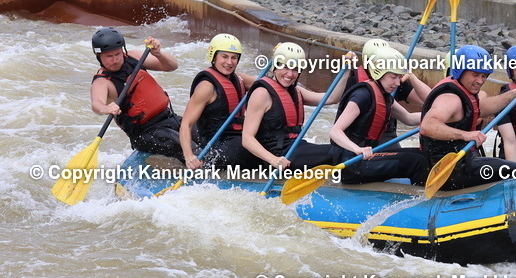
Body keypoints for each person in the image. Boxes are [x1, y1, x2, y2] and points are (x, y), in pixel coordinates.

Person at [419, 44, 516, 191]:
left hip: (463, 160)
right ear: (461, 71)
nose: (480, 81)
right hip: (447, 167)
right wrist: (465, 135)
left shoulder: (464, 91)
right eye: (475, 74)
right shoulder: (450, 98)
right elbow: (427, 126)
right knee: (513, 170)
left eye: (483, 75)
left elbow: (483, 108)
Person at [329, 46, 428, 185]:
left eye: (399, 77)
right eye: (393, 77)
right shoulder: (362, 95)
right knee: (416, 161)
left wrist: (434, 117)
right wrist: (357, 149)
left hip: (369, 158)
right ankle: (423, 199)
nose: (398, 83)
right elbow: (335, 131)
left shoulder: (384, 95)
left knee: (422, 154)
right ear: (378, 73)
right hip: (352, 164)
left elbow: (409, 118)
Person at [241, 42, 342, 172]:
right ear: (275, 66)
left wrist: (347, 70)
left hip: (295, 148)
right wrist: (273, 160)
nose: (290, 74)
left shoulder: (296, 91)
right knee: (337, 153)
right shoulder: (261, 94)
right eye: (286, 67)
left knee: (339, 151)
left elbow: (331, 98)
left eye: (295, 69)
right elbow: (247, 138)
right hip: (279, 157)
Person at [90, 27, 184, 162]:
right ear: (99, 57)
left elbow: (172, 66)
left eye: (117, 54)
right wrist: (106, 108)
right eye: (109, 56)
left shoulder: (134, 57)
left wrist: (158, 54)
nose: (115, 60)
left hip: (168, 118)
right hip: (145, 133)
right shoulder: (102, 81)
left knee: (202, 133)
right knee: (188, 148)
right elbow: (96, 104)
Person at [179, 34, 258, 170]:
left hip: (236, 136)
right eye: (224, 56)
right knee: (251, 151)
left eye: (234, 58)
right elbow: (186, 124)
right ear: (213, 56)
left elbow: (267, 83)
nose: (229, 62)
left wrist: (278, 61)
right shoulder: (206, 88)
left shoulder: (238, 79)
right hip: (217, 144)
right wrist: (189, 156)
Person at [342, 38, 430, 144]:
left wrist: (411, 76)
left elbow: (430, 100)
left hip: (387, 136)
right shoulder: (357, 86)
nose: (397, 82)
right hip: (360, 139)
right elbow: (338, 126)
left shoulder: (396, 80)